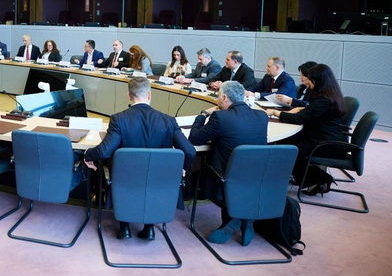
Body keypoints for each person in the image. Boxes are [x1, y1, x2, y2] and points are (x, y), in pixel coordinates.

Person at [84, 77, 195, 241]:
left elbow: (104, 151)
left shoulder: (119, 119)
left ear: (129, 96)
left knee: (121, 176)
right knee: (149, 182)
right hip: (158, 177)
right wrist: (182, 168)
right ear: (149, 94)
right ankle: (149, 229)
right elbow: (190, 151)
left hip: (126, 176)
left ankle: (124, 228)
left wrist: (87, 155)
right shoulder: (168, 121)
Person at [188, 81, 269, 246]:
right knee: (233, 173)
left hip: (224, 178)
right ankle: (245, 219)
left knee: (196, 177)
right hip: (255, 177)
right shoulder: (262, 116)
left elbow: (194, 138)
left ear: (224, 98)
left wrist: (203, 114)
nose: (217, 99)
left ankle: (233, 221)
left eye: (218, 96)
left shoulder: (220, 117)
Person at [265, 64, 347, 193]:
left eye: (309, 79)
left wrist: (275, 113)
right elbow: (309, 111)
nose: (306, 81)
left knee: (287, 148)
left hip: (326, 143)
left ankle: (319, 179)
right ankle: (299, 176)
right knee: (284, 142)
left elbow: (300, 118)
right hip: (321, 136)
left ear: (318, 80)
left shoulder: (323, 99)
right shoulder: (328, 94)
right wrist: (301, 109)